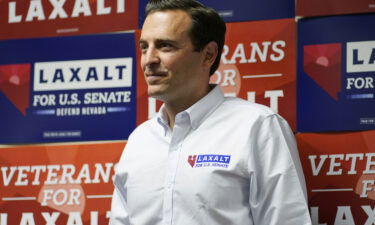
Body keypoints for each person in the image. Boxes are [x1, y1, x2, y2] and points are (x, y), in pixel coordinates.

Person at [110, 0, 312, 224]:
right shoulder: (139, 140)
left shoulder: (257, 126)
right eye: (144, 47)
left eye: (165, 46)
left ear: (208, 55)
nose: (149, 60)